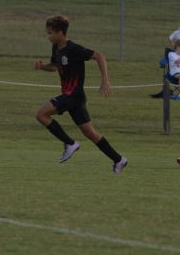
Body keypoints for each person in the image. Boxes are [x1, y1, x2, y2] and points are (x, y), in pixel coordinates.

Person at [34, 15, 128, 174]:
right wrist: (43, 67)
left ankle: (70, 144)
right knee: (91, 134)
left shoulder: (74, 49)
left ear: (60, 32)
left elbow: (99, 56)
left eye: (50, 33)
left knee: (41, 115)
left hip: (73, 95)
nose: (48, 36)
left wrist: (105, 80)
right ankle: (119, 159)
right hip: (75, 98)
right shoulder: (56, 48)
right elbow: (56, 66)